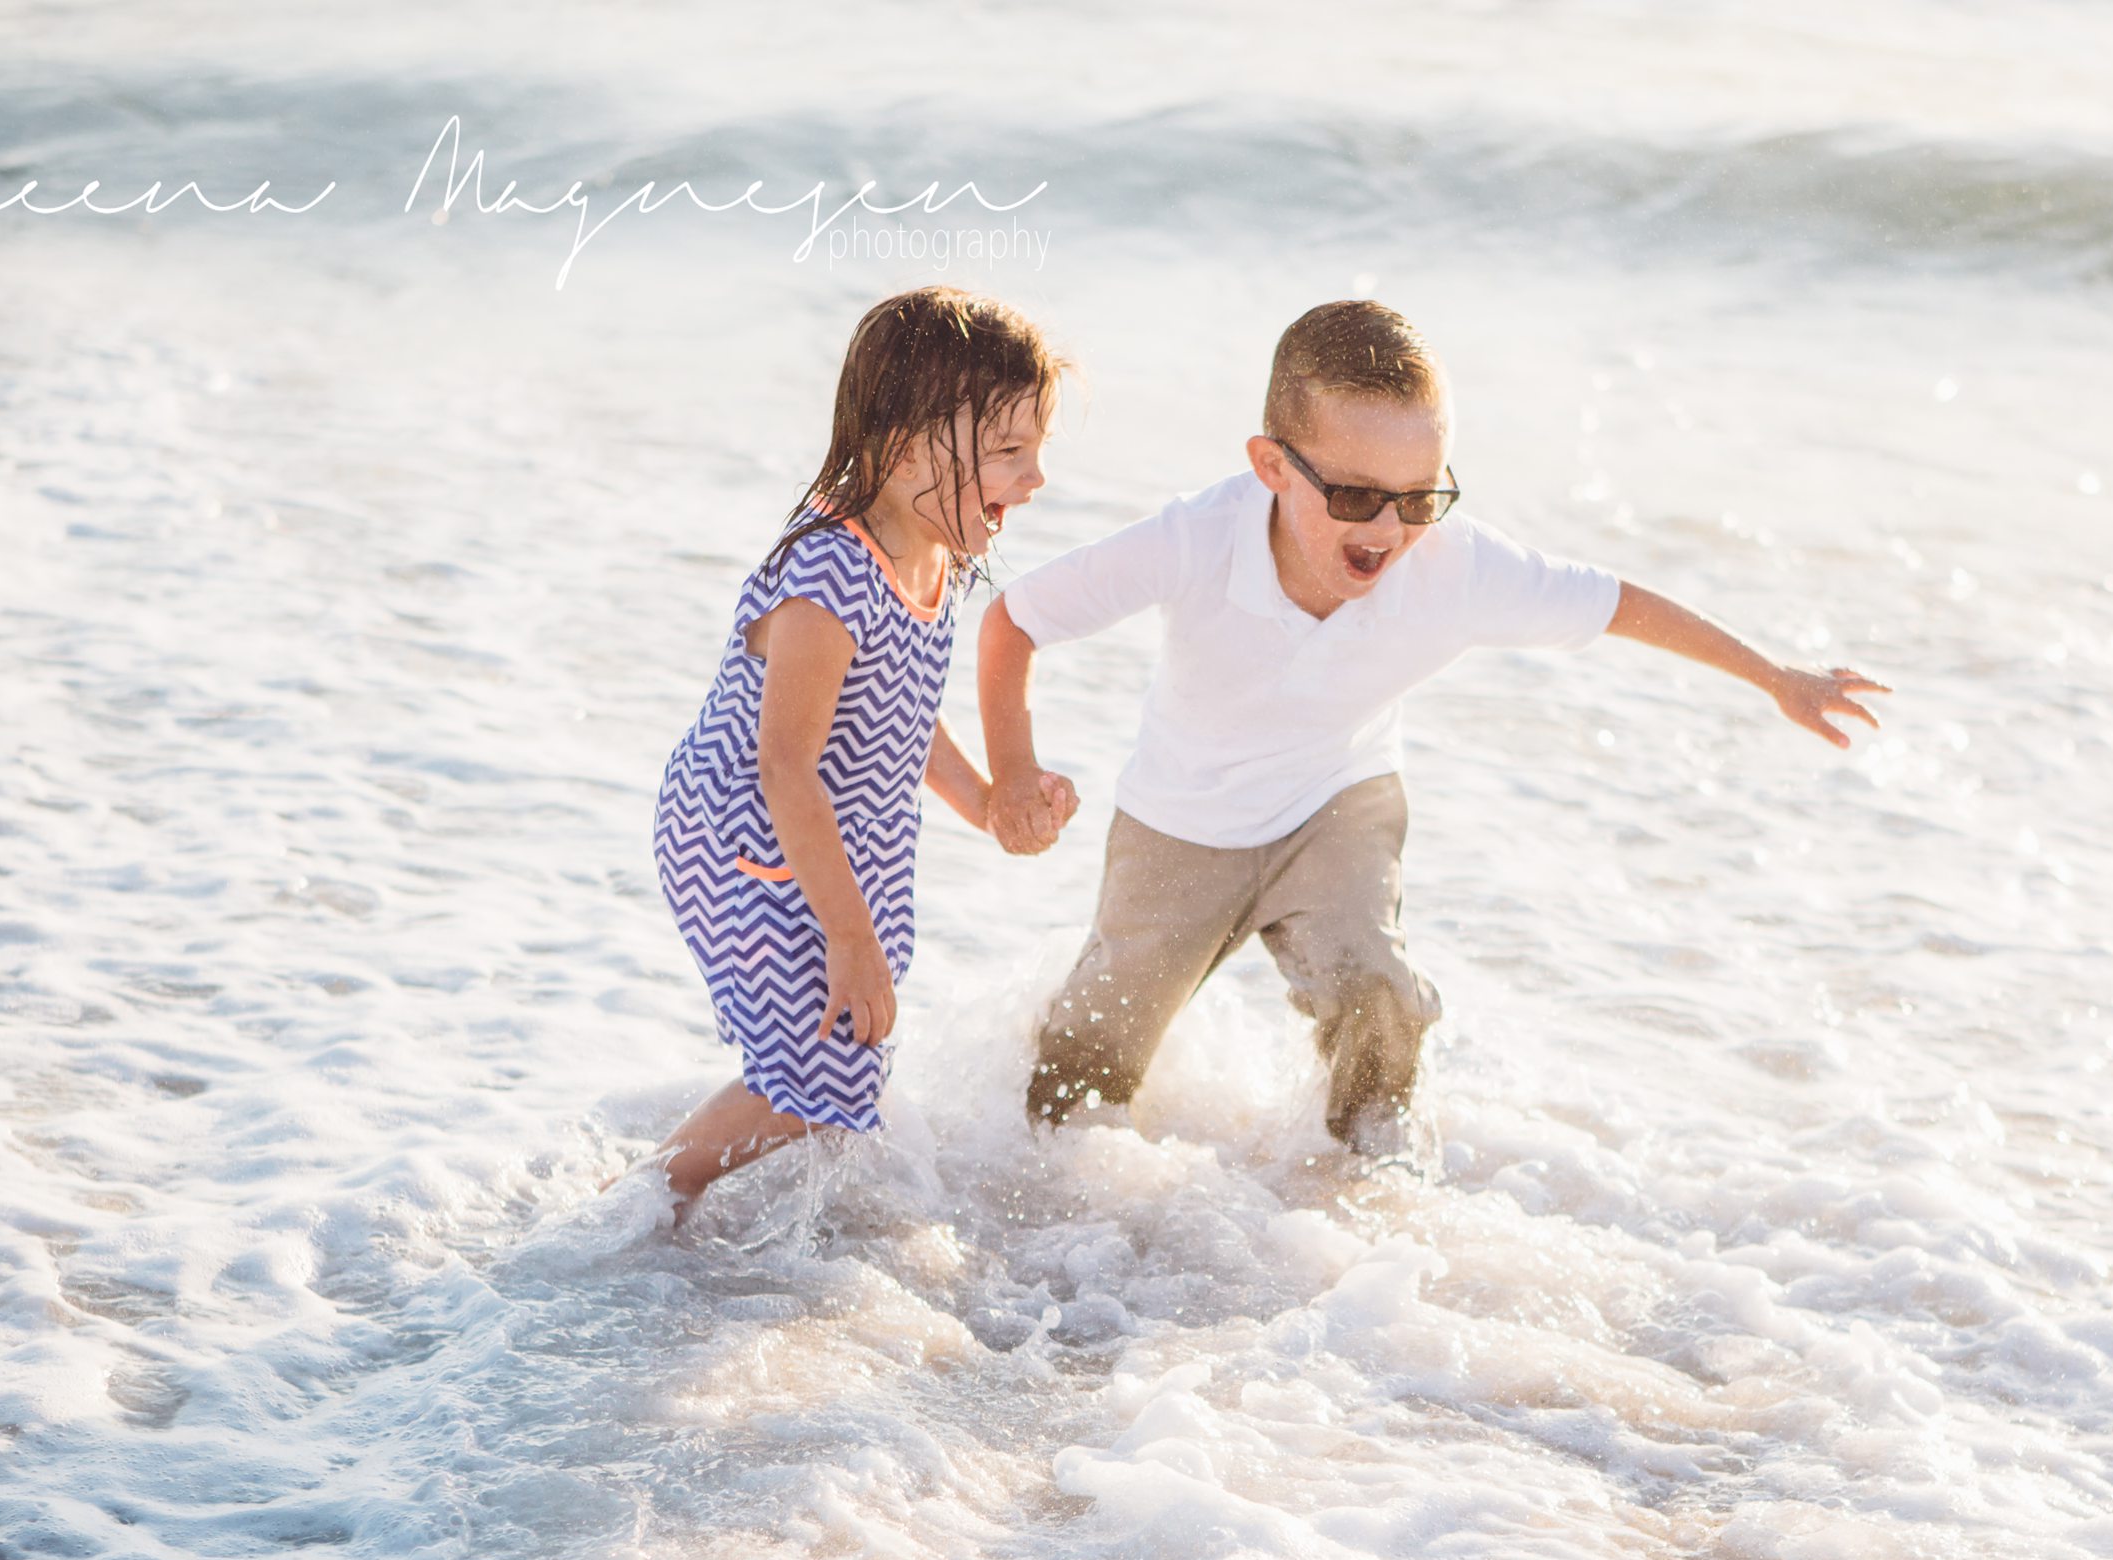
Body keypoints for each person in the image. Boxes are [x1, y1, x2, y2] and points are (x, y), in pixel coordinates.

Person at [979, 298, 1887, 1159]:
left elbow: (1618, 604)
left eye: (1419, 498)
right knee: (1080, 1076)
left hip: (1337, 801)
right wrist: (1014, 773)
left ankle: (1369, 1191)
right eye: (1356, 496)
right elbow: (1013, 621)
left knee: (1378, 998)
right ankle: (1061, 1234)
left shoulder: (1457, 566)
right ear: (1270, 466)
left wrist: (1775, 677)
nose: (1390, 526)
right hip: (1182, 820)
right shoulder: (1193, 540)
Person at [642, 287, 1078, 1213]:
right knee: (813, 1075)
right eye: (1007, 451)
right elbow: (784, 765)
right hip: (746, 836)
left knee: (840, 1074)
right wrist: (849, 936)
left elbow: (901, 714)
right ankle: (642, 1207)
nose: (1034, 479)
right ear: (904, 444)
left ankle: (712, 1221)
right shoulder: (828, 576)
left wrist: (991, 804)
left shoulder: (940, 552)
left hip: (843, 833)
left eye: (1039, 449)